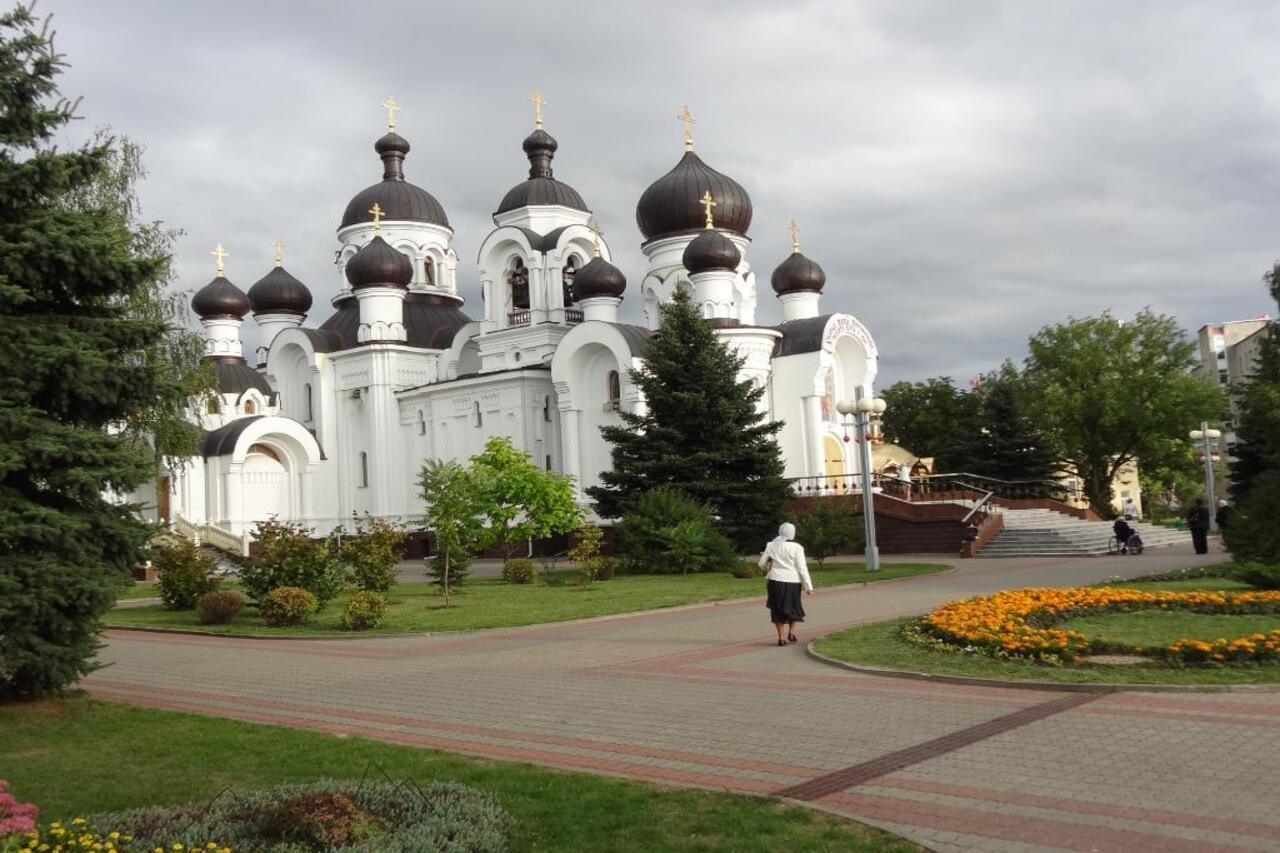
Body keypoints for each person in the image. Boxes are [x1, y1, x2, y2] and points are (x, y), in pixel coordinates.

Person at [758, 522, 814, 646]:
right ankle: (792, 633)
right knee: (794, 607)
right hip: (793, 581)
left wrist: (768, 567)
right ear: (792, 533)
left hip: (775, 580)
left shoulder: (771, 545)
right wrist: (808, 586)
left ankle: (781, 638)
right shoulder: (797, 547)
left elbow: (761, 563)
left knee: (777, 608)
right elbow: (801, 568)